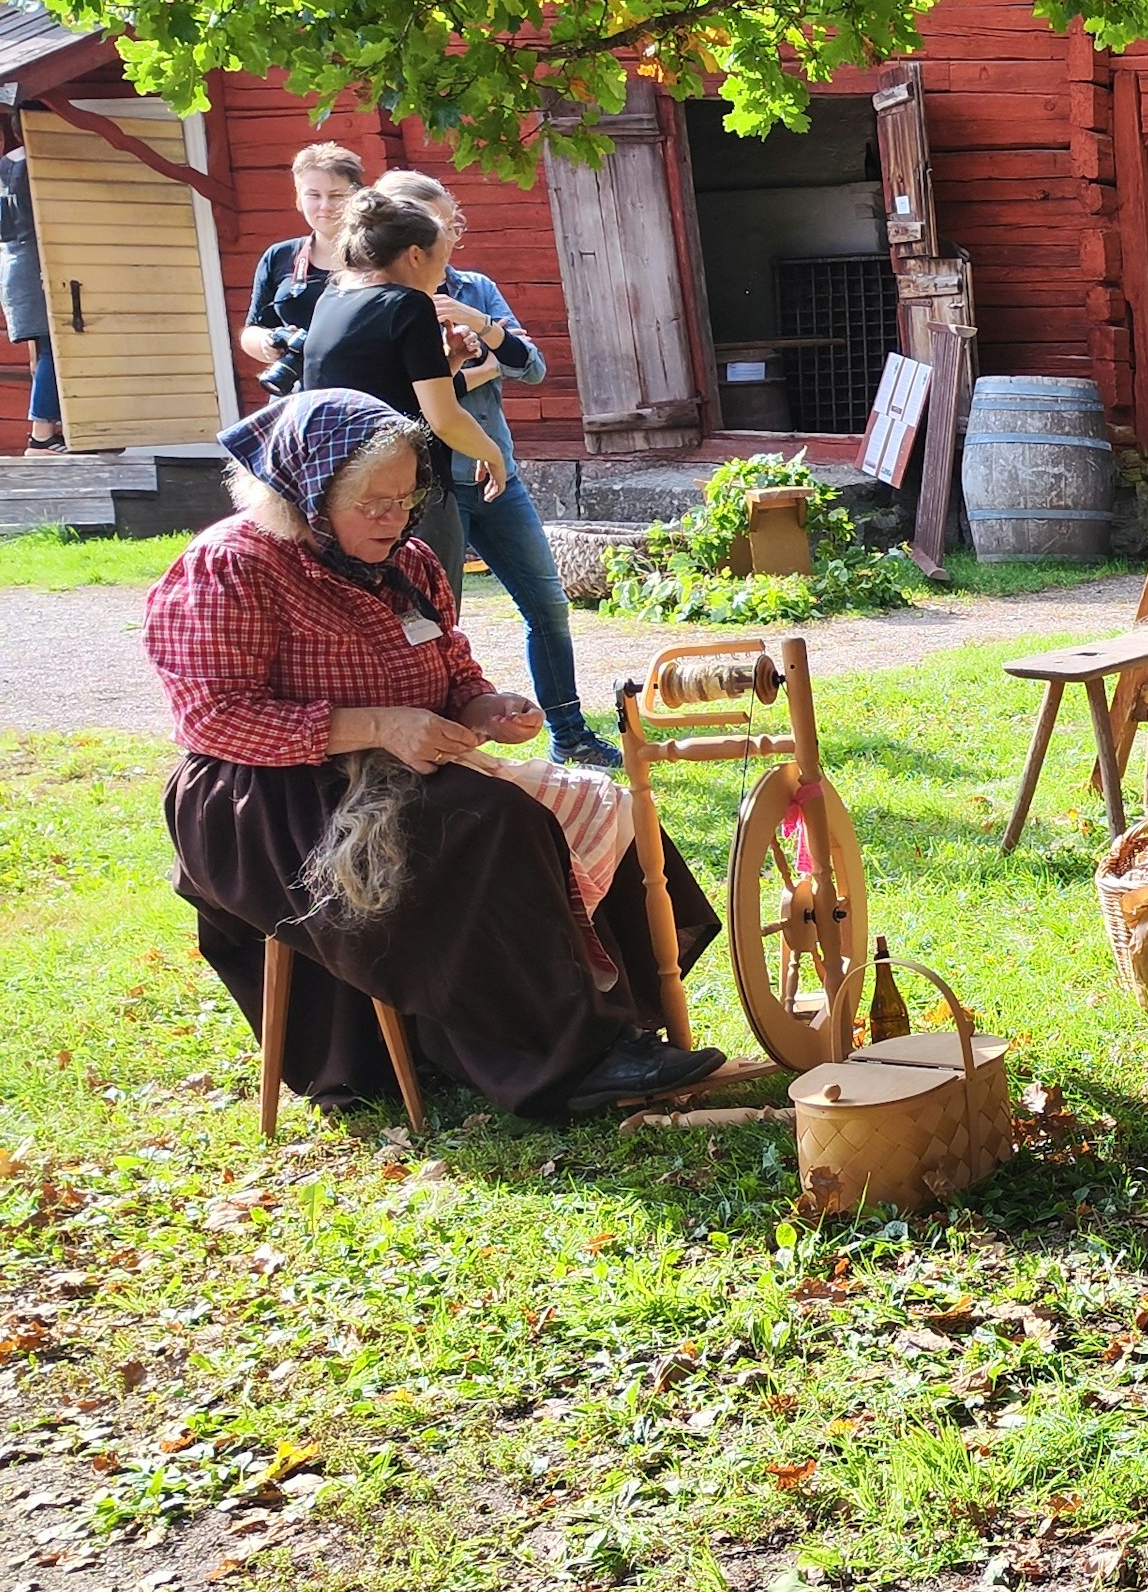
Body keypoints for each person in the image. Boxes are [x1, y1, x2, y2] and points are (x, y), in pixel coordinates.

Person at [142, 390, 725, 1116]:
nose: (395, 518)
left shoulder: (409, 562)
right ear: (306, 495)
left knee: (595, 799)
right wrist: (378, 727)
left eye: (405, 497)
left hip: (395, 768)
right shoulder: (231, 568)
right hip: (264, 793)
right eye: (371, 503)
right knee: (487, 824)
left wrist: (485, 707)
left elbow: (452, 674)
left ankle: (621, 1018)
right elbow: (213, 718)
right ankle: (568, 1060)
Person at [338, 169, 615, 765]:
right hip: (434, 483)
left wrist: (476, 328)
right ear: (410, 239)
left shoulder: (470, 286)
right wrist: (470, 370)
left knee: (547, 604)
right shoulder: (394, 303)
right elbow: (423, 401)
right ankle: (441, 744)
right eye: (443, 227)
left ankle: (568, 733)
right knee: (435, 622)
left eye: (453, 225)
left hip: (496, 477)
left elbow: (530, 366)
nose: (453, 237)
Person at [292, 185, 514, 579]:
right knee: (429, 615)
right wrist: (493, 454)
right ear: (415, 255)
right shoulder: (408, 305)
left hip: (340, 489)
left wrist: (452, 360)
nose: (444, 273)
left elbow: (387, 389)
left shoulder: (334, 297)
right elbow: (442, 418)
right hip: (403, 490)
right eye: (441, 260)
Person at [241, 141, 367, 395]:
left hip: (365, 392)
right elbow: (252, 329)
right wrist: (267, 343)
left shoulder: (379, 254)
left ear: (356, 197)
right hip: (297, 396)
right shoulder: (280, 256)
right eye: (313, 195)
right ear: (298, 199)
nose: (325, 206)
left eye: (336, 195)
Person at [2, 139, 56, 453]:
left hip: (13, 264)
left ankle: (48, 431)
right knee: (54, 348)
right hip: (36, 265)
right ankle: (42, 434)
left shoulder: (5, 164)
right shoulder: (33, 161)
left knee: (47, 349)